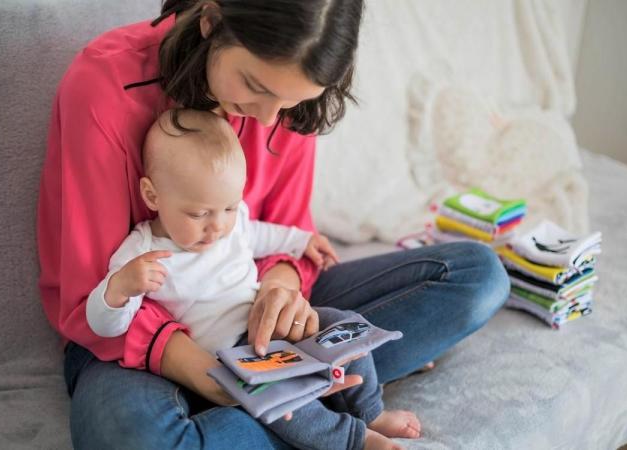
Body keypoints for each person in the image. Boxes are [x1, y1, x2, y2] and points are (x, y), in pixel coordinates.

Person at [37, 1, 509, 448]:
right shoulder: (103, 88)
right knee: (130, 439)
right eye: (256, 86)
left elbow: (287, 235)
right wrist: (204, 371)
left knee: (478, 277)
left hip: (253, 317)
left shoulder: (285, 103)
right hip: (129, 338)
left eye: (291, 101)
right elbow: (93, 295)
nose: (269, 118)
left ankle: (291, 403)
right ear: (211, 20)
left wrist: (280, 291)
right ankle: (314, 413)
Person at [84, 108, 419, 449]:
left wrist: (300, 241)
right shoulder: (143, 251)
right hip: (232, 354)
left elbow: (259, 235)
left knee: (348, 326)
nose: (217, 226)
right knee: (283, 401)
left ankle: (370, 411)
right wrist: (120, 289)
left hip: (271, 322)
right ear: (152, 195)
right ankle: (353, 439)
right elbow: (104, 325)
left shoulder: (229, 221)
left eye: (229, 208)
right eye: (198, 214)